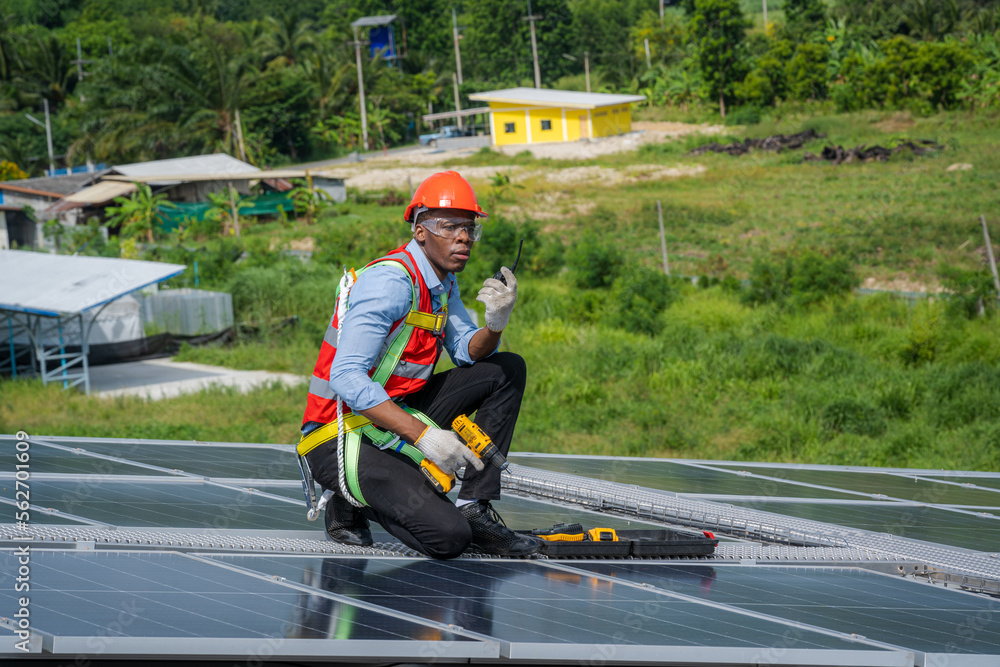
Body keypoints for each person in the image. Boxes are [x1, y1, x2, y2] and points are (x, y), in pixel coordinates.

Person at [298, 171, 539, 559]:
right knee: (449, 539)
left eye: (469, 229)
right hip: (338, 433)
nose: (463, 237)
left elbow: (467, 352)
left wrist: (495, 323)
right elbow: (345, 376)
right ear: (420, 230)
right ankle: (348, 497)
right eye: (450, 227)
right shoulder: (390, 283)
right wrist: (424, 437)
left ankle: (473, 506)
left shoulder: (442, 283)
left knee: (505, 369)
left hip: (391, 414)